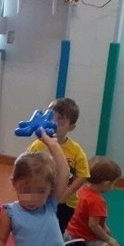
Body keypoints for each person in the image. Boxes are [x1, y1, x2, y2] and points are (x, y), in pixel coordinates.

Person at [0, 129, 75, 246]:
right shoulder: (10, 212)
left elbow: (65, 173)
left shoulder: (49, 204)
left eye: (40, 191)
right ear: (14, 183)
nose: (33, 198)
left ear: (50, 189)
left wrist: (51, 144)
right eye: (26, 190)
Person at [25, 98, 90, 233]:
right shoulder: (37, 145)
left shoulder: (76, 150)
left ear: (71, 127)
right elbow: (25, 167)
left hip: (65, 203)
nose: (53, 122)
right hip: (39, 197)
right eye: (50, 116)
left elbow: (83, 175)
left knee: (56, 231)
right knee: (36, 227)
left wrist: (67, 193)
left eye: (60, 119)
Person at [64, 156, 122, 246]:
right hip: (82, 236)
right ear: (106, 183)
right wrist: (108, 239)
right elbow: (93, 225)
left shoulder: (81, 188)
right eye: (114, 183)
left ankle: (70, 243)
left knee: (107, 232)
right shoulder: (97, 201)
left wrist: (104, 228)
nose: (113, 187)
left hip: (70, 231)